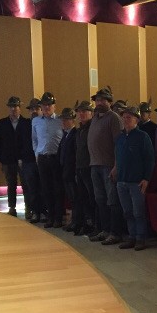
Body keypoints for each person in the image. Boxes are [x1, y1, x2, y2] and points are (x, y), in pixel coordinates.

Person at [114, 106, 155, 251]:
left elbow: (150, 159)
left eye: (129, 117)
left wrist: (146, 178)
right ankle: (131, 237)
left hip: (136, 182)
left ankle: (140, 238)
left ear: (136, 120)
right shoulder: (120, 137)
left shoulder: (143, 137)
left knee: (138, 212)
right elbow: (118, 156)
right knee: (127, 212)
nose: (126, 120)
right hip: (121, 181)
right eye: (124, 117)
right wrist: (115, 169)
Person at [87, 87, 122, 245]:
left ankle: (115, 233)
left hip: (108, 166)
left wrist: (116, 166)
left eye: (102, 100)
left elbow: (119, 144)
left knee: (112, 200)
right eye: (97, 100)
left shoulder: (113, 118)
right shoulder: (95, 118)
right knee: (100, 200)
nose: (99, 103)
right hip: (95, 164)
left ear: (109, 102)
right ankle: (105, 230)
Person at [0, 95, 32, 216]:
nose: (13, 109)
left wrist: (26, 157)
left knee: (26, 184)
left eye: (15, 106)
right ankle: (12, 207)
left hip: (23, 158)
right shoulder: (2, 123)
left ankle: (28, 208)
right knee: (11, 184)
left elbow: (28, 142)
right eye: (11, 106)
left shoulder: (26, 123)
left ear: (20, 108)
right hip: (8, 159)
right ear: (8, 108)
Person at [32, 91, 64, 228]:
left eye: (49, 105)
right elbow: (34, 140)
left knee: (58, 189)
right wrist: (37, 153)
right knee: (46, 189)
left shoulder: (60, 120)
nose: (46, 107)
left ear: (54, 106)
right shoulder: (35, 121)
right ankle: (50, 217)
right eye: (44, 105)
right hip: (42, 158)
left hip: (56, 158)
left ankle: (58, 218)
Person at [72, 99, 96, 236]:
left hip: (90, 167)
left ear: (91, 113)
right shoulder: (79, 130)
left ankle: (95, 224)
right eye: (80, 111)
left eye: (84, 111)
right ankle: (87, 223)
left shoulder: (93, 128)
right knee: (83, 198)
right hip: (80, 167)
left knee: (93, 198)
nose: (81, 114)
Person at [22, 97, 44, 222]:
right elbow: (19, 142)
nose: (34, 111)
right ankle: (35, 212)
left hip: (42, 160)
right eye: (32, 109)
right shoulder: (24, 124)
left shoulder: (44, 123)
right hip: (28, 161)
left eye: (37, 108)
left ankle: (44, 211)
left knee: (44, 187)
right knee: (31, 188)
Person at [58, 107, 78, 229]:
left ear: (72, 120)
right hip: (66, 170)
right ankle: (73, 221)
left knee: (75, 198)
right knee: (71, 198)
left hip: (71, 171)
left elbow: (75, 155)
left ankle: (76, 222)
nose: (63, 122)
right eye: (63, 120)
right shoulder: (66, 135)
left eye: (66, 120)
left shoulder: (75, 134)